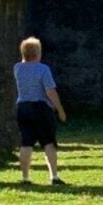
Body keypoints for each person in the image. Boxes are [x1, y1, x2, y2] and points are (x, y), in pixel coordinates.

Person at [12, 35, 67, 186]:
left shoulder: (17, 68)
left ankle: (25, 177)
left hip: (23, 107)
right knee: (48, 142)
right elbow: (50, 91)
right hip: (41, 107)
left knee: (26, 143)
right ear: (38, 52)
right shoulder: (43, 69)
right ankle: (54, 176)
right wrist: (60, 110)